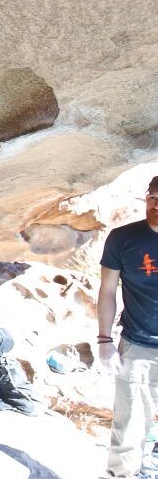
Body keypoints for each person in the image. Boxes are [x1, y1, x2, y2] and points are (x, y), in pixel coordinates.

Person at [98, 176, 158, 478]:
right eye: (153, 198)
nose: (157, 206)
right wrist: (105, 341)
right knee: (129, 426)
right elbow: (107, 291)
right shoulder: (123, 239)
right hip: (139, 346)